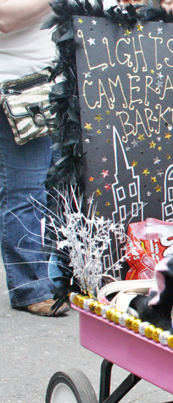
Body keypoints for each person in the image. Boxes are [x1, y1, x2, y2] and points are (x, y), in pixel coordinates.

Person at [0, 0, 67, 316]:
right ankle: (30, 289)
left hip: (55, 85)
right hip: (19, 91)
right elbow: (4, 19)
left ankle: (55, 279)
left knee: (59, 192)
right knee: (24, 194)